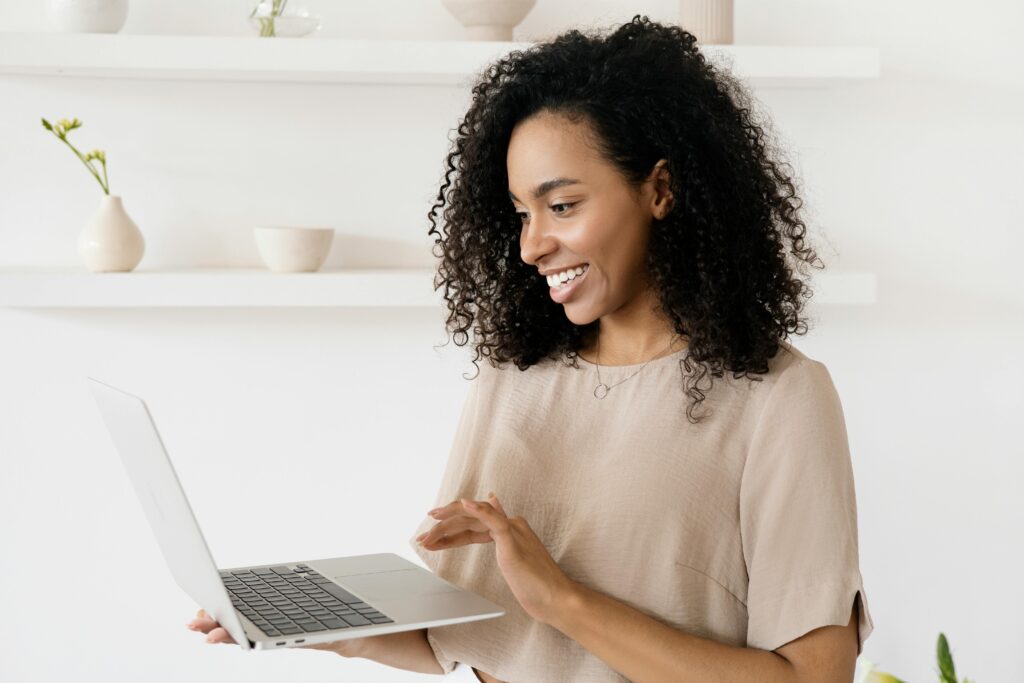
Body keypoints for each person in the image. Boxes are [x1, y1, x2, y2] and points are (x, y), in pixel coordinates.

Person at [189, 14, 874, 682]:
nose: (532, 244)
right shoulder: (512, 379)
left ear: (659, 189)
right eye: (522, 212)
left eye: (563, 205)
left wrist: (565, 601)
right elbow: (465, 634)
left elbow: (815, 675)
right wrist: (333, 626)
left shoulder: (778, 397)